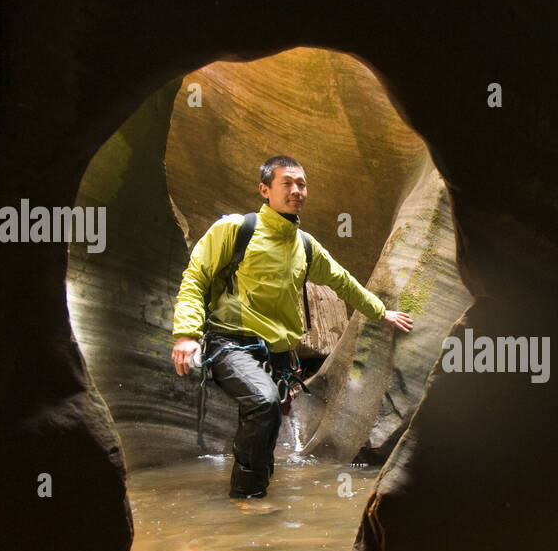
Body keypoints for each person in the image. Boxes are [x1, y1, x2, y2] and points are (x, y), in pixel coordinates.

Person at [171, 155, 413, 498]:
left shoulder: (305, 246)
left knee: (267, 423)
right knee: (263, 401)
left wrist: (381, 312)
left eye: (301, 184)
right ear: (265, 190)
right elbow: (195, 279)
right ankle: (247, 497)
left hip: (280, 358)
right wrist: (186, 334)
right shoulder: (235, 229)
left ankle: (255, 503)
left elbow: (342, 282)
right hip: (232, 344)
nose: (296, 190)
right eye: (287, 183)